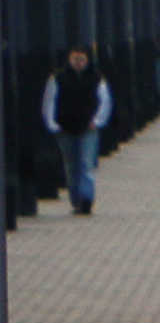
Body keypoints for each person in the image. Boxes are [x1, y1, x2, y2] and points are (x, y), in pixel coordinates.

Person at [45, 45, 110, 217]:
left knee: (86, 164)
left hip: (88, 127)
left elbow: (105, 100)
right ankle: (76, 200)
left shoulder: (96, 78)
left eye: (82, 59)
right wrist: (53, 124)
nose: (79, 63)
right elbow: (50, 100)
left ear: (87, 60)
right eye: (75, 59)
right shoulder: (58, 78)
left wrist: (97, 121)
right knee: (71, 165)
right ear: (69, 59)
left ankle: (86, 201)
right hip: (65, 128)